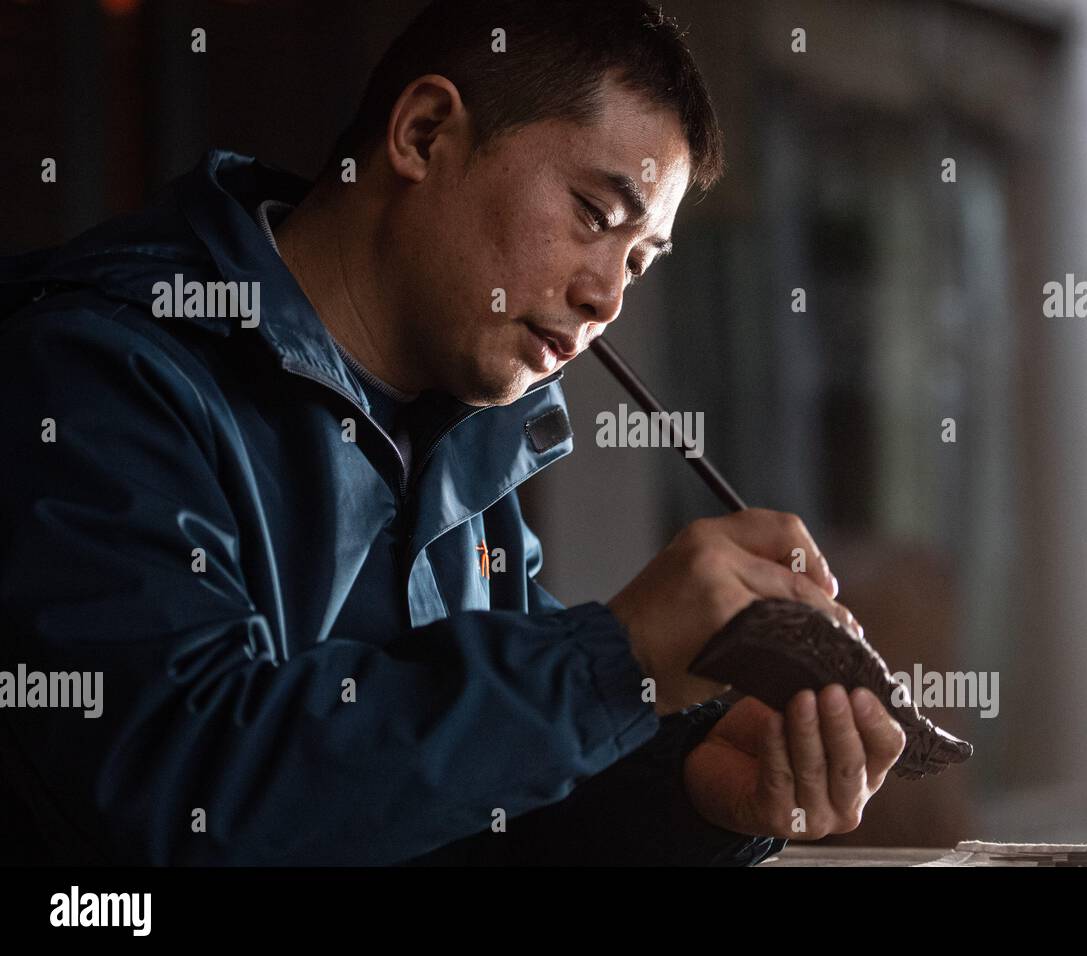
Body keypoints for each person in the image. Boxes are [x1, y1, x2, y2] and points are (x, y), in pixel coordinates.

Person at [0, 0, 905, 866]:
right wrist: (613, 663)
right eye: (594, 215)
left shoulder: (465, 447)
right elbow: (183, 794)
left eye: (638, 259)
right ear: (425, 132)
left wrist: (697, 788)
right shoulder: (94, 378)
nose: (607, 298)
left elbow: (469, 821)